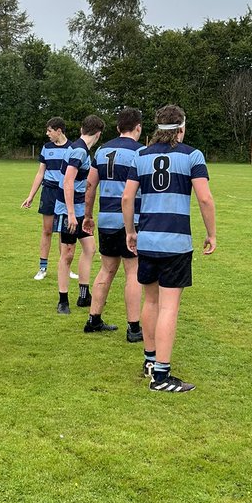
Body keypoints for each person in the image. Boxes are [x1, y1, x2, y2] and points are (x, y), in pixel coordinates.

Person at [122, 104, 217, 393]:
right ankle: (161, 376)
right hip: (175, 243)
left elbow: (127, 198)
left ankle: (150, 361)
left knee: (150, 302)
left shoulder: (140, 155)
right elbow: (205, 199)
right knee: (169, 307)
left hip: (148, 240)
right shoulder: (193, 156)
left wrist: (130, 231)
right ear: (181, 128)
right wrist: (212, 233)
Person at [82, 108, 144, 340]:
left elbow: (90, 186)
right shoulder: (141, 153)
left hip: (106, 219)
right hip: (130, 221)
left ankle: (93, 319)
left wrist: (88, 215)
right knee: (133, 273)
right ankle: (134, 328)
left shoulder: (102, 150)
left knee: (106, 269)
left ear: (118, 128)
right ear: (138, 127)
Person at [55, 115, 104, 314]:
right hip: (69, 210)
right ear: (99, 134)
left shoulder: (81, 149)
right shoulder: (79, 151)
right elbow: (68, 182)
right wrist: (72, 214)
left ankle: (84, 295)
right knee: (67, 254)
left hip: (79, 209)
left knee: (90, 248)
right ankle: (62, 300)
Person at [21, 118, 69, 280]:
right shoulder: (46, 148)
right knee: (47, 230)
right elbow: (40, 173)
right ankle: (43, 268)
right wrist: (31, 196)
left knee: (64, 231)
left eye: (49, 130)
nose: (47, 134)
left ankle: (66, 267)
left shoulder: (72, 148)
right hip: (48, 192)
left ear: (59, 131)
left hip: (64, 193)